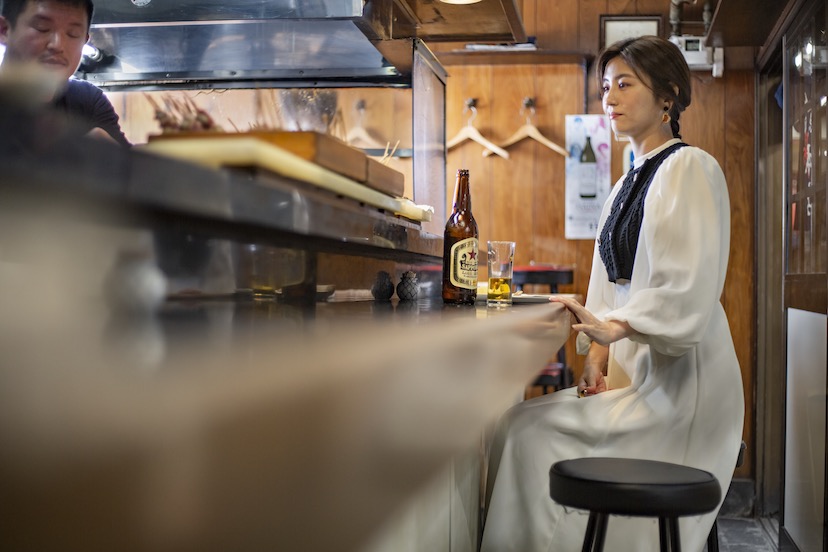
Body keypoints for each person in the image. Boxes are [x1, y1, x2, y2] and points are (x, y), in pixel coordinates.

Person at [480, 35, 744, 552]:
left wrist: (617, 328)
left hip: (685, 387)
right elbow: (608, 286)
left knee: (530, 436)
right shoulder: (627, 182)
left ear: (668, 97)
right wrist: (597, 357)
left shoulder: (690, 167)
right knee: (513, 424)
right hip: (639, 375)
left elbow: (685, 286)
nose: (610, 98)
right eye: (605, 87)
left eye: (625, 84)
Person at [0, 0, 130, 146]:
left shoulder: (87, 100)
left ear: (84, 41)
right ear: (4, 29)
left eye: (73, 34)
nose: (58, 45)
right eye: (42, 28)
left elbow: (131, 165)